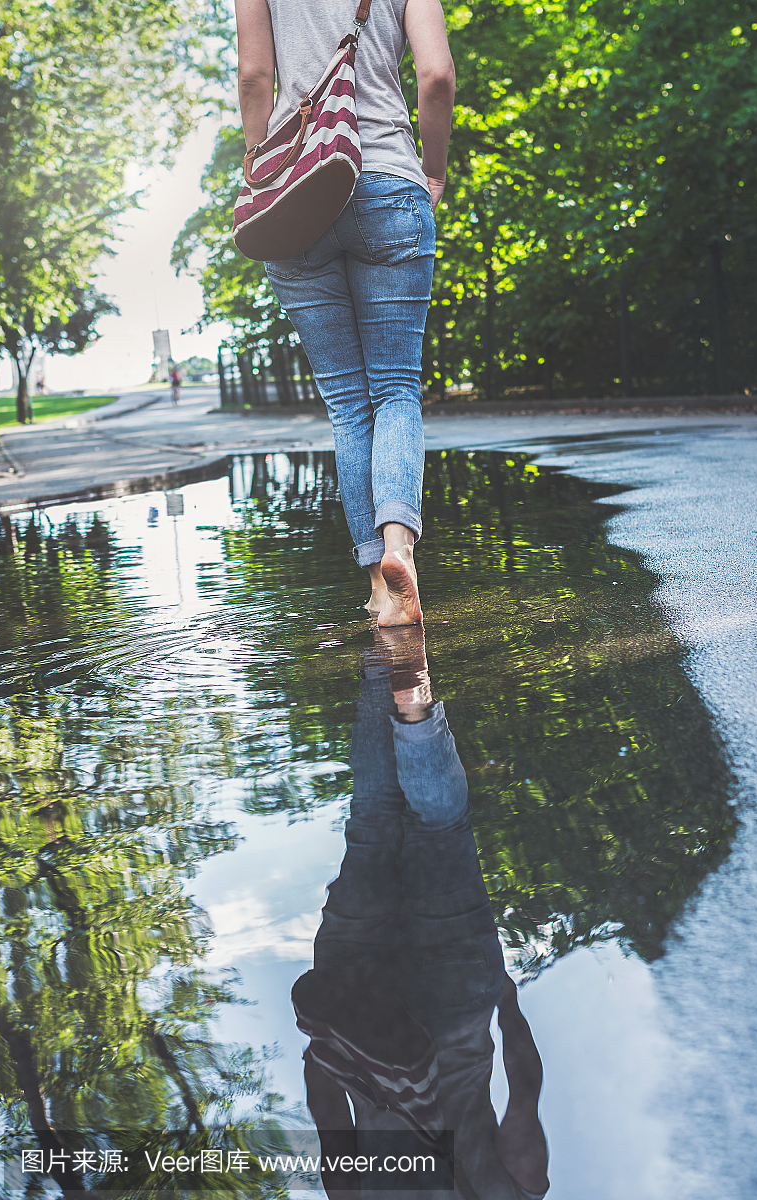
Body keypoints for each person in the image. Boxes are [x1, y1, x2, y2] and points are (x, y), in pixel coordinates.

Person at [292, 628, 550, 1200]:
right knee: (372, 823)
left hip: (458, 1009)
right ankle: (381, 665)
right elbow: (328, 1110)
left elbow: (524, 1123)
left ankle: (414, 704)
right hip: (361, 1009)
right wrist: (326, 1048)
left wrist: (505, 1005)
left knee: (441, 828)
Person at [235, 0, 455, 626]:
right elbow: (436, 74)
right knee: (395, 390)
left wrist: (261, 169)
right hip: (388, 175)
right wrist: (432, 170)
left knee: (347, 403)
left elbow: (256, 75)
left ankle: (383, 593)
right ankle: (397, 548)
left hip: (301, 190)